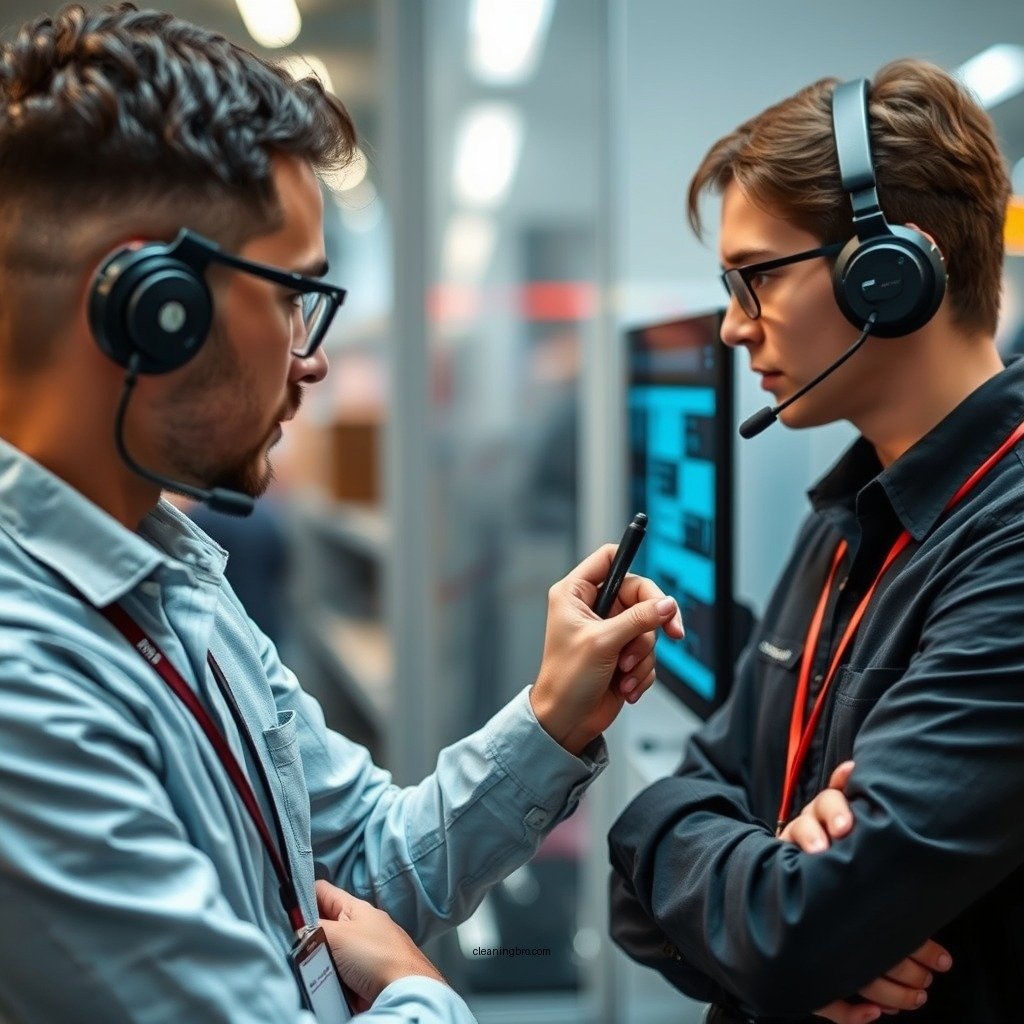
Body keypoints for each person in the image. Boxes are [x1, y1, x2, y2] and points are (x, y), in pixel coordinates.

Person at [0, 5, 685, 1022]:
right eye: (291, 297)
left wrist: (554, 715)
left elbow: (363, 860)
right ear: (152, 304)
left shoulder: (174, 576)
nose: (312, 358)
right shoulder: (26, 695)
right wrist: (422, 995)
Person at [608, 58, 1024, 1024]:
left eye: (755, 278)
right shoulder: (845, 516)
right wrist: (746, 883)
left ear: (890, 275)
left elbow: (797, 929)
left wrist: (768, 916)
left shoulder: (1007, 546)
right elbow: (662, 886)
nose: (731, 328)